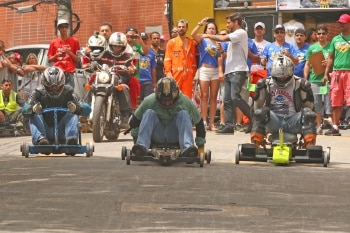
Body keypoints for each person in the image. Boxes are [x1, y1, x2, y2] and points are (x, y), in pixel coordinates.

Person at [128, 77, 206, 162]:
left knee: (183, 114)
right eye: (164, 101)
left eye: (170, 101)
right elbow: (134, 121)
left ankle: (187, 147)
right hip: (157, 136)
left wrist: (200, 147)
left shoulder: (184, 101)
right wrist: (136, 142)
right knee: (149, 113)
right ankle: (142, 145)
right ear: (158, 97)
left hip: (175, 136)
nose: (167, 103)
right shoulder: (149, 101)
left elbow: (199, 123)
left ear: (176, 96)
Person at [250, 55, 317, 149]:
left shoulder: (301, 84)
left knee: (309, 114)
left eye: (284, 77)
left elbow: (310, 108)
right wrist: (257, 125)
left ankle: (310, 144)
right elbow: (256, 109)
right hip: (274, 121)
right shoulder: (265, 84)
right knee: (260, 112)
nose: (281, 79)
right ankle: (255, 142)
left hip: (293, 121)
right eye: (278, 77)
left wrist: (308, 127)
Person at [202, 12, 251, 134]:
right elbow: (228, 56)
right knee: (227, 99)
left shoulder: (241, 32)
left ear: (236, 22)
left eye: (229, 22)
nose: (227, 24)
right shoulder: (234, 36)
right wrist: (223, 52)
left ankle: (254, 118)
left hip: (238, 70)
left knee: (235, 97)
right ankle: (229, 126)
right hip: (230, 71)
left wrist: (206, 35)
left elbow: (222, 38)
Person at [22, 67, 91, 145]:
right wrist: (33, 109)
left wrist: (77, 108)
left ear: (62, 83)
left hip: (62, 130)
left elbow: (87, 109)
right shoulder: (37, 93)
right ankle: (40, 138)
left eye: (57, 86)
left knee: (73, 113)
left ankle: (71, 139)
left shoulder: (69, 92)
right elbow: (24, 111)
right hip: (45, 129)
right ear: (45, 84)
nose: (54, 89)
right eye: (51, 86)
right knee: (33, 115)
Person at [191, 17, 222, 131]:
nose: (211, 30)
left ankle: (212, 122)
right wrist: (200, 23)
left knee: (214, 98)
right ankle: (203, 121)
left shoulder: (218, 41)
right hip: (204, 69)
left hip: (215, 71)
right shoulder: (203, 40)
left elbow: (220, 57)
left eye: (213, 29)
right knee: (204, 97)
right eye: (209, 28)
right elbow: (193, 34)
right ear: (206, 30)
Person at [322, 14, 350, 136]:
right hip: (337, 73)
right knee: (335, 101)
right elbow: (331, 58)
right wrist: (326, 73)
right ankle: (335, 127)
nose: (340, 25)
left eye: (343, 23)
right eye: (340, 22)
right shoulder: (335, 39)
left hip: (349, 72)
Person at [304, 24, 332, 135]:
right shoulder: (312, 48)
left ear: (327, 35)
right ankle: (318, 125)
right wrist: (305, 78)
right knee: (317, 103)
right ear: (316, 34)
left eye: (323, 34)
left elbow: (335, 61)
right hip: (315, 79)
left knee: (329, 101)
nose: (321, 36)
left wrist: (329, 63)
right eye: (318, 33)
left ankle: (332, 124)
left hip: (328, 79)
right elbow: (307, 64)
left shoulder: (331, 46)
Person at [164, 19, 197, 99]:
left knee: (187, 98)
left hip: (188, 76)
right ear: (177, 28)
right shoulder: (172, 42)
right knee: (173, 96)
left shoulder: (191, 43)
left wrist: (193, 76)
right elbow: (167, 59)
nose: (181, 28)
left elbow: (193, 61)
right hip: (175, 75)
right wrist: (168, 73)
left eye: (183, 27)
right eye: (179, 27)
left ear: (187, 28)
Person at [47, 19, 81, 88]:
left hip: (69, 72)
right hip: (57, 72)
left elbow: (78, 59)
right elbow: (49, 60)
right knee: (57, 94)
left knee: (69, 93)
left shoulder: (75, 41)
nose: (64, 29)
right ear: (58, 28)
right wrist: (57, 55)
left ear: (68, 28)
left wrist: (69, 52)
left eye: (66, 27)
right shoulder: (53, 42)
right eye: (61, 27)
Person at [139, 32, 157, 101]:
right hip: (138, 81)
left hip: (148, 81)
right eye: (141, 39)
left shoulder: (151, 53)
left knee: (147, 102)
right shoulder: (135, 51)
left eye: (144, 39)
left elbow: (153, 68)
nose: (143, 41)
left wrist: (154, 83)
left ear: (147, 40)